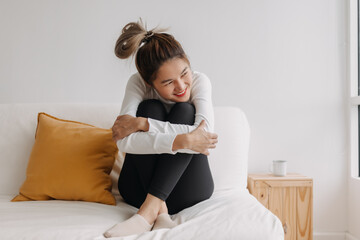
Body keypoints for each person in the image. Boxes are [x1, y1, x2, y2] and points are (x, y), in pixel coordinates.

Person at [104, 19, 218, 238]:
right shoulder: (137, 84)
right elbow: (123, 140)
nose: (182, 86)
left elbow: (203, 136)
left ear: (188, 62)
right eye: (168, 82)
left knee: (185, 111)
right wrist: (182, 141)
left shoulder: (200, 82)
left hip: (189, 189)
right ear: (149, 83)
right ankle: (160, 211)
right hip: (138, 189)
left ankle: (147, 213)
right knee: (150, 107)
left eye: (185, 73)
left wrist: (142, 124)